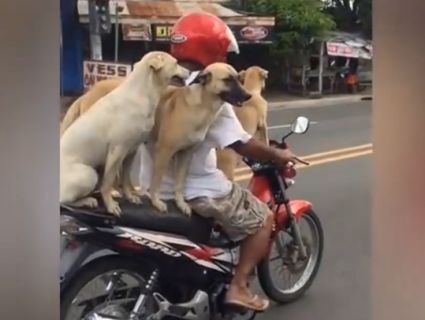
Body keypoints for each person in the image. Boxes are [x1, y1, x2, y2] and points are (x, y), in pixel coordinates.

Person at [139, 12, 301, 311]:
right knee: (262, 219)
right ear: (213, 49)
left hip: (148, 186)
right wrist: (279, 154)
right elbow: (243, 143)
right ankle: (238, 287)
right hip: (197, 189)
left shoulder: (156, 79)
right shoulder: (214, 90)